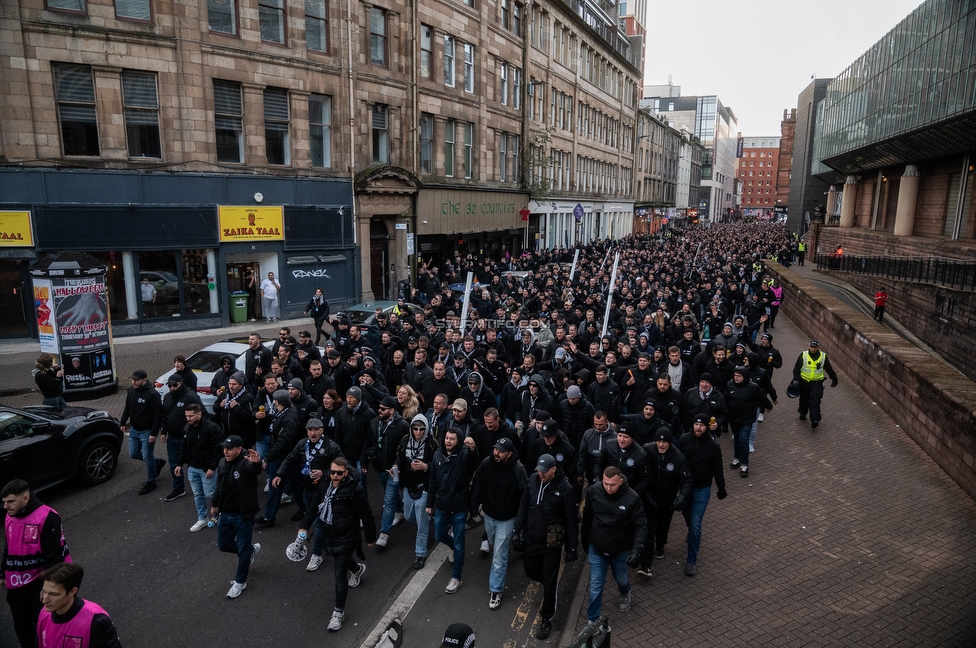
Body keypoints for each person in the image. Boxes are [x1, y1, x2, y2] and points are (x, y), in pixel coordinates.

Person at [295, 457, 377, 632]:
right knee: (342, 560)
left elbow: (367, 515)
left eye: (339, 473)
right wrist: (303, 527)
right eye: (332, 472)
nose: (335, 476)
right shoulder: (325, 485)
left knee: (339, 575)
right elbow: (313, 507)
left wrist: (370, 538)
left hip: (347, 537)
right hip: (329, 534)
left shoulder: (355, 490)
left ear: (346, 473)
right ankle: (356, 569)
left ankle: (338, 613)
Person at [513, 454, 577, 640]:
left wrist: (572, 546)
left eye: (544, 471)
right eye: (539, 470)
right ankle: (549, 585)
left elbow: (571, 519)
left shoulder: (565, 488)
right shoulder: (533, 480)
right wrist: (517, 529)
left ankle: (546, 618)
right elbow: (524, 505)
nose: (540, 474)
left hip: (551, 542)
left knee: (550, 582)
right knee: (530, 570)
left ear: (554, 469)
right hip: (532, 537)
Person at [2, 479, 72, 648]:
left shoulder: (48, 516)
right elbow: (8, 547)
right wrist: (3, 573)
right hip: (16, 585)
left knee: (43, 628)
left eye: (10, 501)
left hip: (38, 586)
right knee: (21, 627)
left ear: (25, 498)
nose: (6, 506)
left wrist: (47, 588)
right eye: (4, 502)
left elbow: (53, 558)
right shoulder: (9, 517)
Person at [580, 466, 647, 624]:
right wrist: (584, 538)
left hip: (621, 549)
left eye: (613, 485)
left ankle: (625, 591)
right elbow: (587, 516)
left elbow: (641, 525)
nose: (608, 488)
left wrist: (637, 550)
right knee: (596, 585)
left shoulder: (632, 498)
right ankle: (592, 621)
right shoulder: (593, 492)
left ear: (621, 481)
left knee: (621, 578)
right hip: (597, 547)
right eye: (605, 483)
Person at [471, 436, 527, 611]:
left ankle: (496, 590)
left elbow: (525, 495)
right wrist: (474, 504)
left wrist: (520, 520)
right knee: (496, 545)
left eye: (501, 451)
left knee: (498, 557)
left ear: (509, 454)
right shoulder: (487, 463)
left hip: (507, 518)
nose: (497, 453)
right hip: (489, 514)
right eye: (496, 449)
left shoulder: (518, 470)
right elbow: (478, 483)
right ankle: (504, 551)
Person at [210, 435, 263, 599]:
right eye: (224, 448)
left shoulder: (246, 463)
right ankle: (250, 550)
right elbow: (219, 485)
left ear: (239, 449)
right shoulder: (222, 463)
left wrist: (256, 463)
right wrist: (214, 503)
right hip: (225, 513)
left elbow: (254, 470)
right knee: (223, 545)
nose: (225, 451)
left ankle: (240, 581)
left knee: (242, 553)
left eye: (229, 448)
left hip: (243, 515)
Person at [427, 428, 479, 594]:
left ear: (459, 440)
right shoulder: (437, 455)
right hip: (442, 506)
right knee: (439, 535)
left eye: (452, 439)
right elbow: (433, 481)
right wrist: (430, 503)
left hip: (458, 507)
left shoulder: (463, 455)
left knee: (459, 543)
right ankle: (455, 549)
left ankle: (456, 577)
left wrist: (472, 448)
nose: (448, 441)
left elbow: (472, 460)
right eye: (447, 438)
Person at [675, 414, 727, 577]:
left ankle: (691, 560)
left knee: (696, 523)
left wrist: (721, 488)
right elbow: (676, 461)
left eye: (702, 425)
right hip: (684, 488)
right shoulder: (683, 440)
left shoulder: (713, 447)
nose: (698, 427)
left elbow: (718, 469)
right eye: (696, 424)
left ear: (707, 427)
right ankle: (692, 533)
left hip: (702, 488)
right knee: (688, 516)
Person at [36, 563, 121, 648]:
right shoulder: (44, 613)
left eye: (54, 594)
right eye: (44, 592)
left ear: (73, 591)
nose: (45, 599)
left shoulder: (96, 621)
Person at [641, 428, 692, 565]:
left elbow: (686, 480)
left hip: (667, 499)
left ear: (670, 442)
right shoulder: (647, 449)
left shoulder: (678, 457)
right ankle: (647, 550)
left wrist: (682, 497)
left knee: (663, 525)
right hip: (649, 496)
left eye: (664, 442)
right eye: (658, 441)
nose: (661, 445)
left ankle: (660, 545)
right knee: (648, 525)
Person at [395, 414, 439, 569]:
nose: (418, 432)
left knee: (421, 526)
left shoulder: (432, 443)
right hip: (408, 487)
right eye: (415, 428)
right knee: (408, 516)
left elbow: (439, 464)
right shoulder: (405, 440)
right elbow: (399, 457)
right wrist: (396, 470)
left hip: (423, 487)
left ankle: (420, 554)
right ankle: (427, 520)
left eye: (421, 429)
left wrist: (425, 466)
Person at [365, 396, 410, 548]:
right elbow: (368, 443)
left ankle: (384, 533)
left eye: (383, 409)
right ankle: (400, 510)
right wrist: (366, 461)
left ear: (392, 410)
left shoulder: (402, 425)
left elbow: (404, 448)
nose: (380, 411)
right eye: (379, 408)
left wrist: (398, 465)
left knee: (388, 499)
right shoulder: (375, 423)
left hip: (393, 470)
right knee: (390, 495)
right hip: (379, 467)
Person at [174, 403, 224, 532]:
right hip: (192, 467)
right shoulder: (187, 428)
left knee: (211, 493)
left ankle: (220, 513)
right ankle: (202, 518)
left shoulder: (212, 428)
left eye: (191, 416)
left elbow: (217, 450)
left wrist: (212, 467)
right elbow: (183, 447)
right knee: (198, 494)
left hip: (206, 468)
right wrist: (179, 463)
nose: (188, 419)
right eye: (187, 416)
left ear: (199, 414)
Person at [119, 369, 164, 496]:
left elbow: (157, 414)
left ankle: (152, 482)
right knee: (133, 453)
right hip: (134, 429)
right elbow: (128, 407)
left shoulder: (152, 394)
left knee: (147, 455)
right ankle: (157, 462)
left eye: (136, 380)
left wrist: (154, 433)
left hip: (147, 431)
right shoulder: (131, 391)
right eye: (132, 379)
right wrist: (122, 422)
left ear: (144, 380)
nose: (134, 382)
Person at [160, 373, 202, 502]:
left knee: (194, 463)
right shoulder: (167, 397)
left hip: (187, 438)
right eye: (170, 385)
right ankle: (178, 488)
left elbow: (202, 413)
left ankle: (201, 487)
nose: (172, 388)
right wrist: (163, 431)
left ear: (181, 383)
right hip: (172, 437)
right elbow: (164, 415)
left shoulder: (190, 396)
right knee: (174, 464)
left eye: (175, 385)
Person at [725, 366, 773, 478]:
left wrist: (769, 406)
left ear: (745, 377)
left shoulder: (753, 387)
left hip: (747, 419)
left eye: (739, 376)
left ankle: (744, 464)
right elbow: (725, 399)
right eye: (735, 375)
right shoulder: (730, 385)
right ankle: (737, 458)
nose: (736, 378)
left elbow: (762, 398)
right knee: (736, 439)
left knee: (744, 440)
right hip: (734, 418)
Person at [790, 341, 838, 429]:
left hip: (816, 382)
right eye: (812, 347)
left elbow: (828, 368)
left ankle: (815, 419)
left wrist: (834, 378)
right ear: (809, 346)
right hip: (804, 382)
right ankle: (803, 412)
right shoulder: (803, 355)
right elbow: (796, 369)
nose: (813, 349)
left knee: (815, 400)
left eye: (815, 347)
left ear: (818, 348)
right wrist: (796, 380)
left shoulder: (823, 357)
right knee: (804, 400)